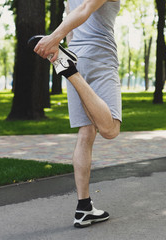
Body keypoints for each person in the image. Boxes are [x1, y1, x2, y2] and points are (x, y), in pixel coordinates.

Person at [31, 0, 121, 228]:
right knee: (110, 129)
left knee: (86, 132)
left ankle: (84, 208)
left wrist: (66, 47)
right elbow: (84, 10)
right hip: (100, 55)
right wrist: (54, 38)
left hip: (76, 54)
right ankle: (70, 71)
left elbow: (71, 16)